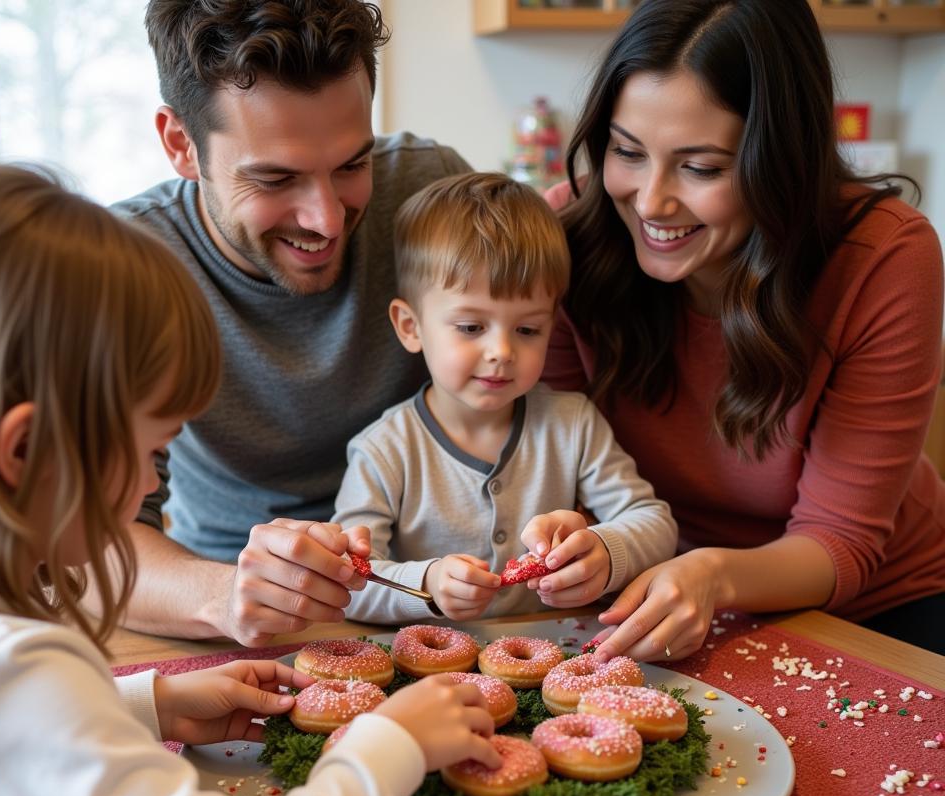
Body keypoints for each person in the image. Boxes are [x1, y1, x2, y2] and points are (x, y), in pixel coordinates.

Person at [0, 165, 500, 796]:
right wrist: (385, 744)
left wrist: (148, 703)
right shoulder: (13, 669)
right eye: (152, 453)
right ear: (26, 448)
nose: (150, 485)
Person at [542, 0, 945, 658]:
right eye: (627, 152)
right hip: (655, 587)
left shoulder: (885, 258)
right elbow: (557, 470)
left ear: (782, 160)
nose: (650, 202)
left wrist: (711, 572)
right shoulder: (570, 236)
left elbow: (838, 542)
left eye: (701, 168)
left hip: (880, 604)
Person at [112, 0, 471, 647]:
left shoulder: (431, 193)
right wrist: (223, 595)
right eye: (275, 178)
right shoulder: (129, 266)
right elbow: (86, 549)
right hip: (226, 617)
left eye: (352, 165)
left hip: (428, 592)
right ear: (179, 144)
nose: (327, 220)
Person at [333, 172, 677, 623]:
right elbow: (348, 579)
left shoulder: (573, 424)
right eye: (472, 327)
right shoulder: (383, 450)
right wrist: (428, 585)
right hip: (428, 677)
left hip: (560, 663)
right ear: (410, 326)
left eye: (527, 329)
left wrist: (605, 552)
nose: (502, 352)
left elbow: (654, 523)